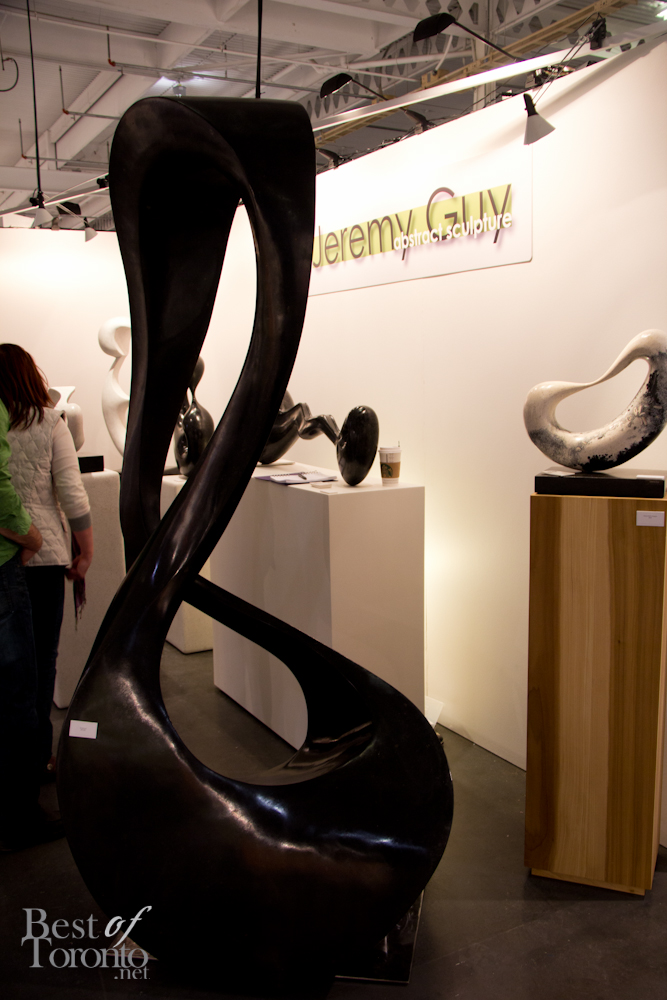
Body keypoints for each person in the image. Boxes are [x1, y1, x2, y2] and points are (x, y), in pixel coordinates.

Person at [0, 344, 93, 793]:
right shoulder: (51, 423)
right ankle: (38, 759)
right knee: (40, 664)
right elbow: (72, 494)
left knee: (13, 669)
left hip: (5, 555)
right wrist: (86, 552)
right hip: (44, 556)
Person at [0, 394, 49, 849]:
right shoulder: (48, 421)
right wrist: (31, 536)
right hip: (7, 561)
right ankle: (19, 813)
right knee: (19, 691)